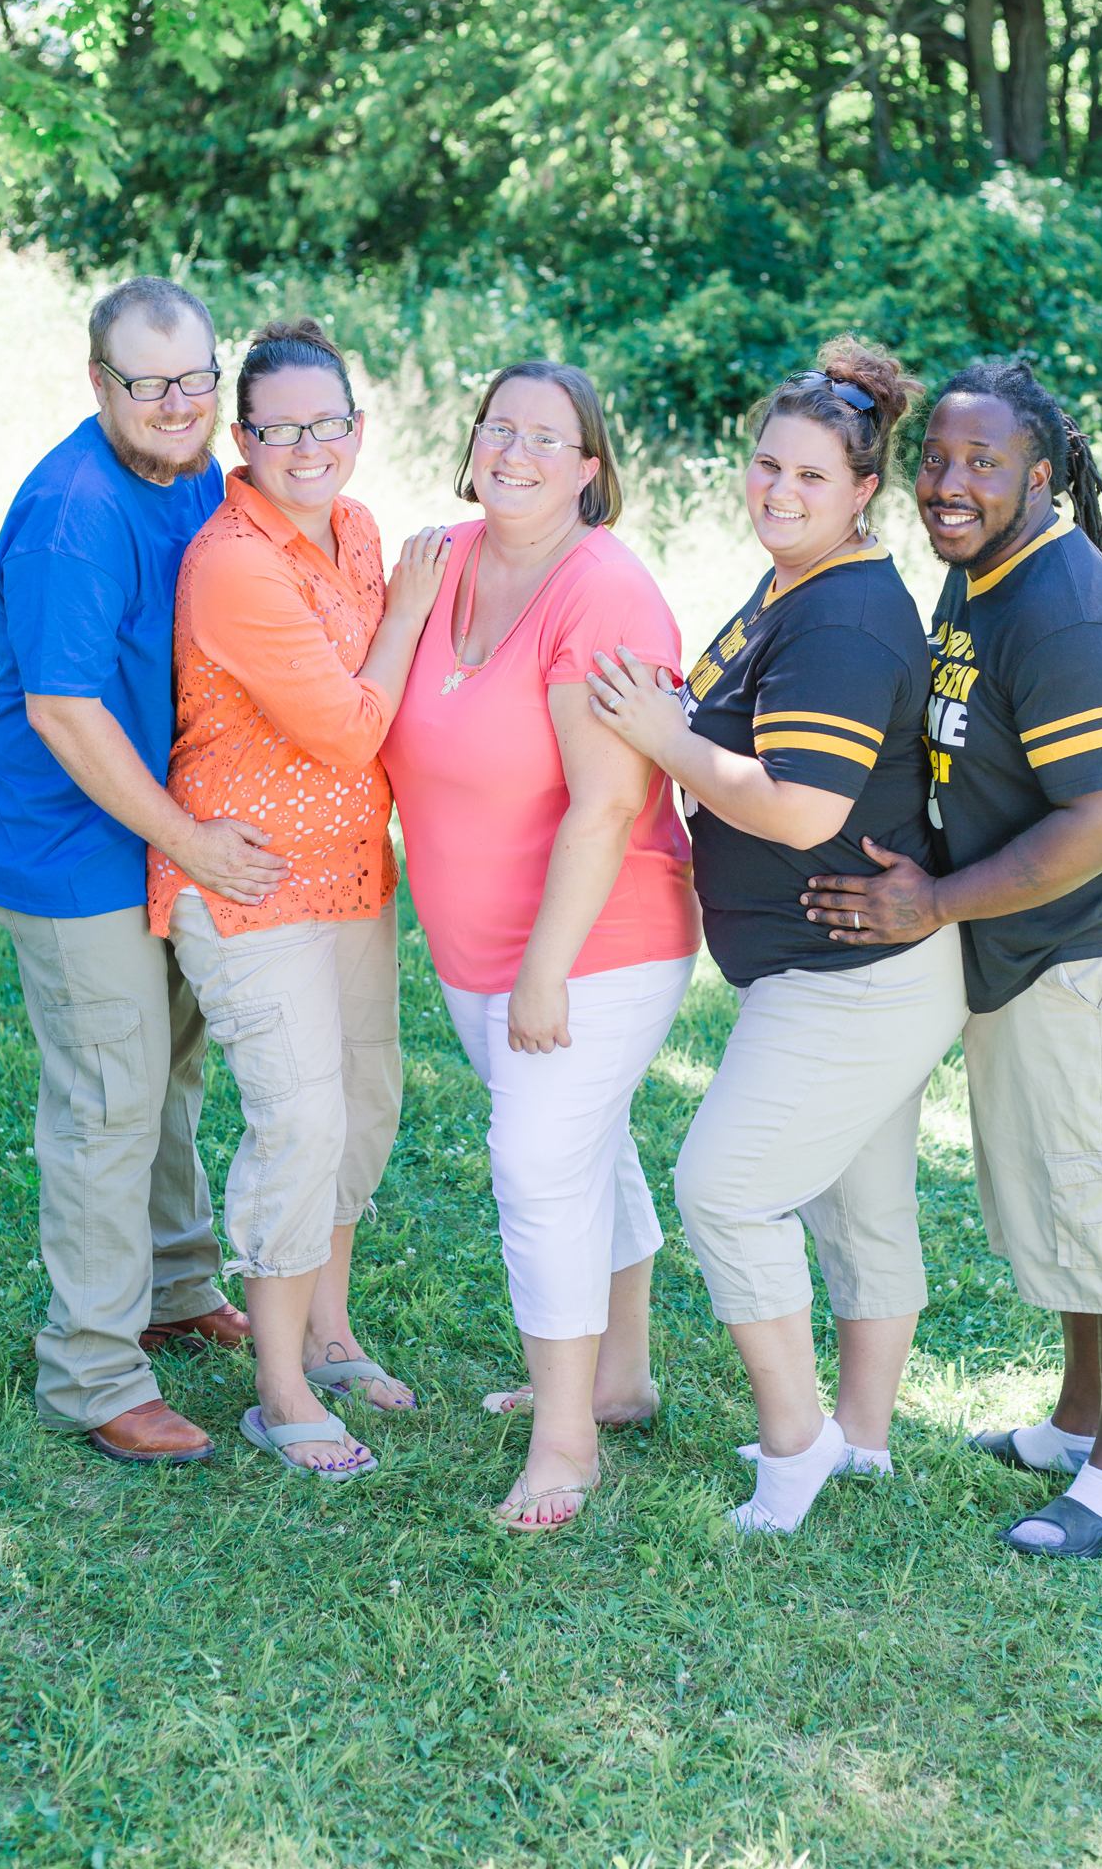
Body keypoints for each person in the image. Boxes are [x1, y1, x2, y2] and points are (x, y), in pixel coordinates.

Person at [803, 359, 1102, 1559]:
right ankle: (1079, 1421)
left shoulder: (1063, 608)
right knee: (1066, 1193)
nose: (949, 481)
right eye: (936, 458)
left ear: (1041, 474)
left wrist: (933, 900)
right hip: (1029, 945)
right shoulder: (983, 574)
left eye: (982, 461)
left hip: (1094, 947)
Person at [588, 341, 968, 1535]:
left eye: (811, 475)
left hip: (853, 977)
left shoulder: (843, 617)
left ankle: (799, 1443)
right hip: (845, 964)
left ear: (864, 490)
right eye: (767, 464)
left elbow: (801, 807)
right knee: (859, 1200)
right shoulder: (799, 582)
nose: (780, 490)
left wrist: (665, 740)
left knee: (726, 1186)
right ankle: (864, 1437)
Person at [381, 360, 702, 1531]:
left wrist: (543, 967)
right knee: (582, 1144)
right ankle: (619, 1377)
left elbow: (609, 804)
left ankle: (567, 1443)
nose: (514, 452)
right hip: (479, 949)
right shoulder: (440, 564)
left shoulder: (603, 593)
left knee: (536, 1161)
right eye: (498, 428)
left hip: (594, 941)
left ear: (589, 469)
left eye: (546, 437)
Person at [0, 276, 288, 1466]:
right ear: (99, 382)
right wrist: (193, 841)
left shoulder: (198, 472)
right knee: (110, 1097)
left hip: (161, 831)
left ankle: (174, 1280)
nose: (177, 402)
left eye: (196, 377)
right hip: (76, 848)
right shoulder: (75, 513)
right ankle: (92, 1369)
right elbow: (65, 710)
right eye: (147, 382)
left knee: (170, 1069)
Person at [147, 319, 450, 1480]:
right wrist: (410, 613)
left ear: (358, 428)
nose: (308, 445)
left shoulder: (359, 530)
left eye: (328, 422)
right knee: (302, 1120)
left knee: (365, 1102)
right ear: (244, 439)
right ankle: (279, 1394)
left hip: (351, 872)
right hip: (249, 879)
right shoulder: (233, 562)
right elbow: (348, 724)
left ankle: (327, 1333)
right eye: (281, 429)